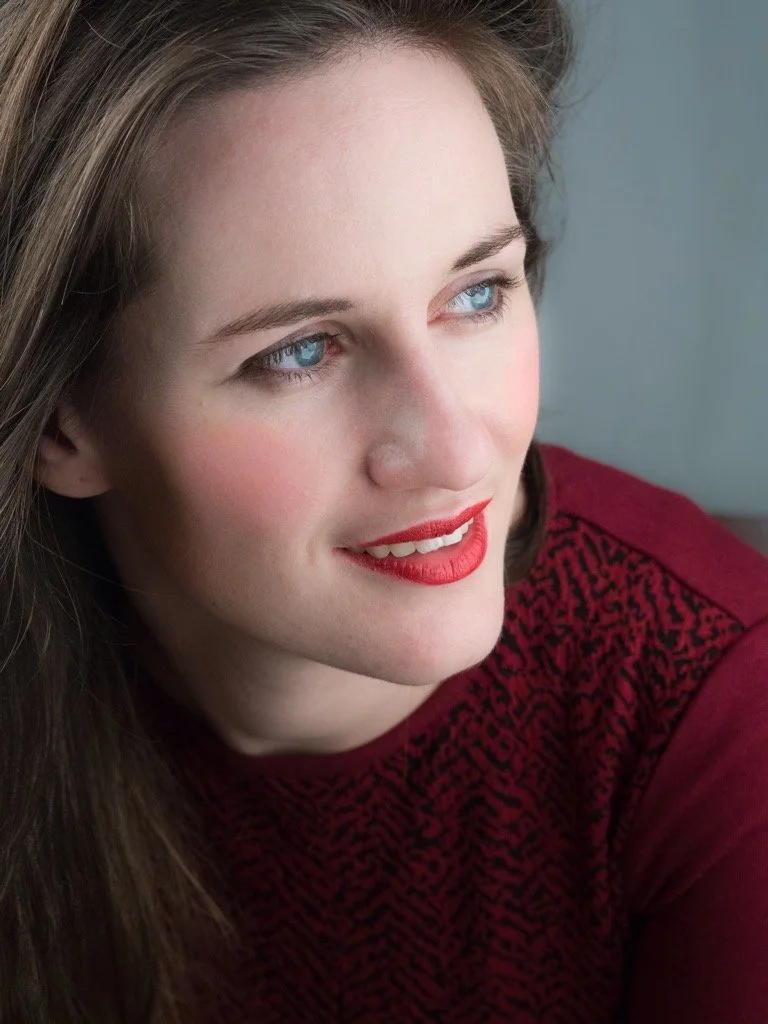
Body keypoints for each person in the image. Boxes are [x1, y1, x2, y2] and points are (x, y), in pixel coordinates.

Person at [1, 0, 767, 1021]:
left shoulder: (713, 709)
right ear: (62, 422)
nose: (459, 454)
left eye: (478, 295)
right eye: (299, 351)